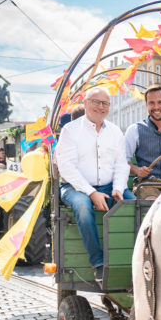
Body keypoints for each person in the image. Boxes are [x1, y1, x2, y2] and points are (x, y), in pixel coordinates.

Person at [56, 86, 135, 283]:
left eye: (105, 103)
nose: (101, 107)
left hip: (109, 186)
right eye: (96, 102)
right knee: (82, 207)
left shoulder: (116, 132)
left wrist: (118, 188)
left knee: (135, 205)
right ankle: (98, 263)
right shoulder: (70, 130)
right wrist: (91, 193)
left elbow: (121, 164)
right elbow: (67, 168)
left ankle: (132, 257)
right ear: (86, 103)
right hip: (74, 187)